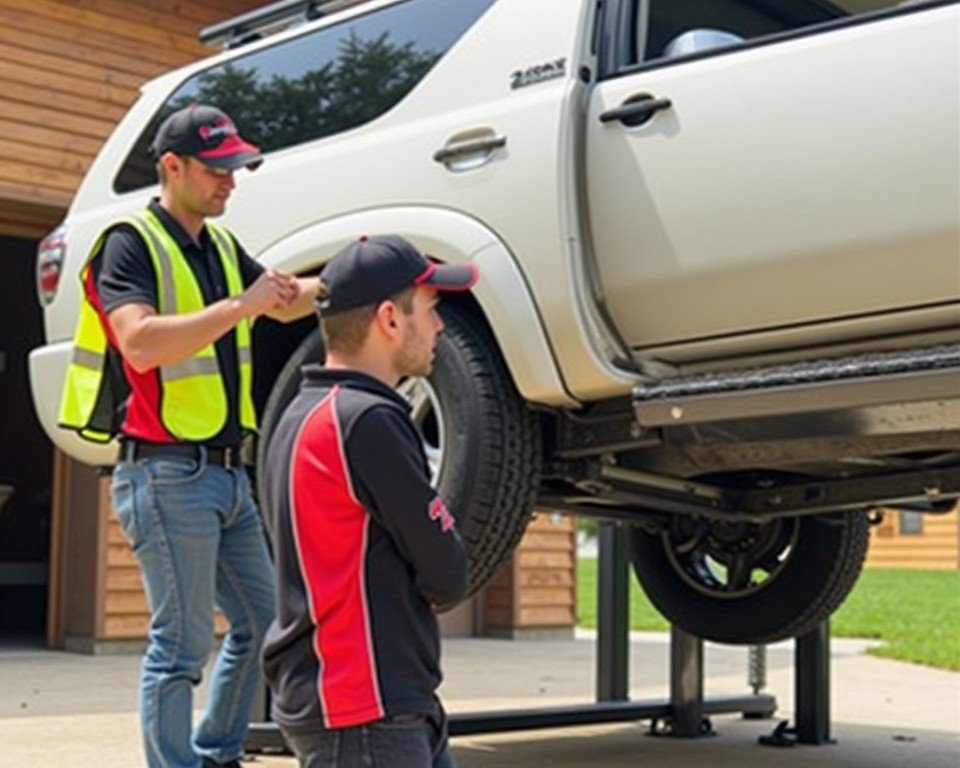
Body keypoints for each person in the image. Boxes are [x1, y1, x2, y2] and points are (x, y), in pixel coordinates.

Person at [59, 104, 320, 768]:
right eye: (218, 168)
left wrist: (370, 274)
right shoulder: (129, 243)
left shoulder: (221, 247)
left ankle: (215, 755)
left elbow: (285, 296)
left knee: (265, 627)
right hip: (166, 473)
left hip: (229, 474)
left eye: (236, 167)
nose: (231, 180)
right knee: (179, 647)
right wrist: (243, 306)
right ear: (171, 167)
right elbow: (139, 344)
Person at [260, 235, 478, 767]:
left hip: (359, 699)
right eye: (430, 310)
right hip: (365, 707)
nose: (440, 326)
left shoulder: (299, 417)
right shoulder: (368, 421)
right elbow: (444, 569)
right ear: (389, 318)